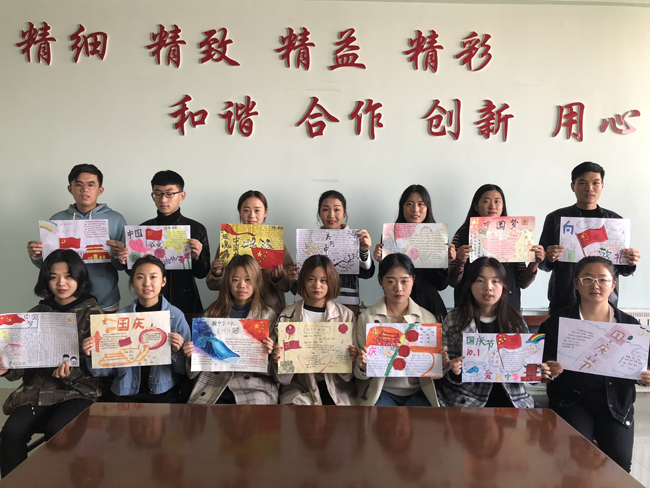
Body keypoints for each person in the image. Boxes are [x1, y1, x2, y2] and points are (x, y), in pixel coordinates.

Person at [540, 256, 650, 472]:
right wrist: (548, 369)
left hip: (616, 403)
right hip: (571, 401)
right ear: (575, 283)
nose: (595, 286)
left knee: (619, 464)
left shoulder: (630, 326)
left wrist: (646, 376)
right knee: (574, 460)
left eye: (602, 280)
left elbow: (644, 364)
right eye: (587, 279)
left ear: (613, 285)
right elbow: (540, 364)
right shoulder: (557, 323)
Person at [0, 250, 104, 477]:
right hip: (37, 391)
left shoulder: (94, 314)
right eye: (53, 277)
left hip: (79, 391)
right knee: (11, 433)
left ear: (80, 277)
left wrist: (72, 373)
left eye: (68, 276)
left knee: (59, 433)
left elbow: (103, 369)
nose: (61, 283)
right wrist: (7, 368)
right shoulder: (35, 314)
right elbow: (22, 363)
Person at [437, 257, 553, 408]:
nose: (488, 287)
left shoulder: (516, 321)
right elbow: (445, 373)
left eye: (495, 281)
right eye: (480, 280)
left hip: (513, 401)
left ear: (504, 286)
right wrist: (454, 371)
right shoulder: (453, 320)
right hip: (467, 400)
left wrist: (539, 371)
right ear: (470, 285)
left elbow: (527, 373)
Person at [82, 255, 190, 403]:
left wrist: (177, 352)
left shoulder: (175, 316)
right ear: (132, 282)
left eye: (153, 277)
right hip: (124, 392)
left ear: (163, 281)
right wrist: (92, 355)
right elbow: (102, 371)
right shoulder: (118, 319)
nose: (147, 283)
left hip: (164, 392)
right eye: (140, 277)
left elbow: (184, 370)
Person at [539, 162, 641, 314]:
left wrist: (630, 261)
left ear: (602, 186)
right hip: (564, 299)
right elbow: (542, 265)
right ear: (572, 186)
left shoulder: (615, 222)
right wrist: (548, 258)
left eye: (595, 183)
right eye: (582, 183)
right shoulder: (556, 219)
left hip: (604, 302)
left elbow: (623, 270)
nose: (589, 188)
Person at [26, 164, 127, 311]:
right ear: (70, 189)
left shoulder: (116, 219)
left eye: (91, 185)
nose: (85, 189)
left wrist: (119, 256)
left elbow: (121, 266)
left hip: (104, 300)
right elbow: (49, 265)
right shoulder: (56, 220)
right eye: (79, 184)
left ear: (100, 190)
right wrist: (37, 255)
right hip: (64, 301)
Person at [182, 254, 278, 405]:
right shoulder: (212, 313)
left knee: (255, 414)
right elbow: (197, 365)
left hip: (254, 384)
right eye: (235, 280)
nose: (241, 285)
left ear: (257, 282)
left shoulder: (267, 315)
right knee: (202, 413)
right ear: (227, 282)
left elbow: (273, 369)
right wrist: (192, 355)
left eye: (248, 279)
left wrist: (270, 353)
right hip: (215, 381)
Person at [114, 170, 211, 314]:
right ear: (152, 196)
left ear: (182, 195)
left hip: (186, 303)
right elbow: (135, 274)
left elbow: (203, 273)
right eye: (158, 194)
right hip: (150, 303)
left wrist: (198, 257)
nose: (163, 200)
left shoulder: (196, 229)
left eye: (170, 194)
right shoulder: (142, 230)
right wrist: (125, 261)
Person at [355, 253, 440, 407]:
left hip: (419, 391)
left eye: (404, 281)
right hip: (381, 391)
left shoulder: (427, 318)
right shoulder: (366, 318)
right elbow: (358, 374)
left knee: (423, 421)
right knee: (379, 420)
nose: (398, 288)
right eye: (391, 281)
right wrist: (362, 366)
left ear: (413, 279)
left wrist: (442, 364)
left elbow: (435, 373)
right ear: (380, 280)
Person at [273, 255, 358, 405]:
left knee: (342, 417)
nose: (317, 285)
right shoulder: (288, 315)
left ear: (332, 281)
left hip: (337, 388)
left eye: (323, 280)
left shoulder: (345, 315)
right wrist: (279, 358)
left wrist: (351, 359)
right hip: (300, 388)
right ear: (302, 281)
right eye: (311, 279)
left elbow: (348, 375)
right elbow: (282, 378)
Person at [449, 184, 545, 311]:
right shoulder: (462, 234)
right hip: (470, 309)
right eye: (486, 201)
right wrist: (460, 263)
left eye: (497, 201)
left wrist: (534, 263)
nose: (492, 206)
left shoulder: (516, 235)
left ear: (503, 206)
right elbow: (452, 281)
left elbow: (522, 283)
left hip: (507, 310)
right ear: (476, 206)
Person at [206, 190, 296, 315]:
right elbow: (213, 286)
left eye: (257, 210)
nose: (252, 216)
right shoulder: (228, 242)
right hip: (233, 310)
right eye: (246, 210)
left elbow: (288, 285)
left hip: (269, 310)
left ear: (265, 212)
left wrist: (279, 278)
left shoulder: (276, 243)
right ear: (240, 212)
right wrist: (217, 273)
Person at [373, 185, 454, 322]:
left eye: (421, 204)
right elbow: (386, 284)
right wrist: (383, 262)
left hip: (431, 308)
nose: (415, 209)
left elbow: (441, 285)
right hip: (398, 309)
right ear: (402, 207)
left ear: (428, 208)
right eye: (409, 204)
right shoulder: (390, 236)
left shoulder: (437, 236)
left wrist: (446, 264)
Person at [299, 190, 374, 316]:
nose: (331, 215)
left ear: (344, 212)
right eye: (325, 209)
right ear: (319, 213)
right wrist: (295, 275)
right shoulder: (309, 241)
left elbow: (367, 273)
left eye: (337, 209)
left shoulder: (356, 238)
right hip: (315, 303)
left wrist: (364, 250)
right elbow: (300, 278)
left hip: (347, 304)